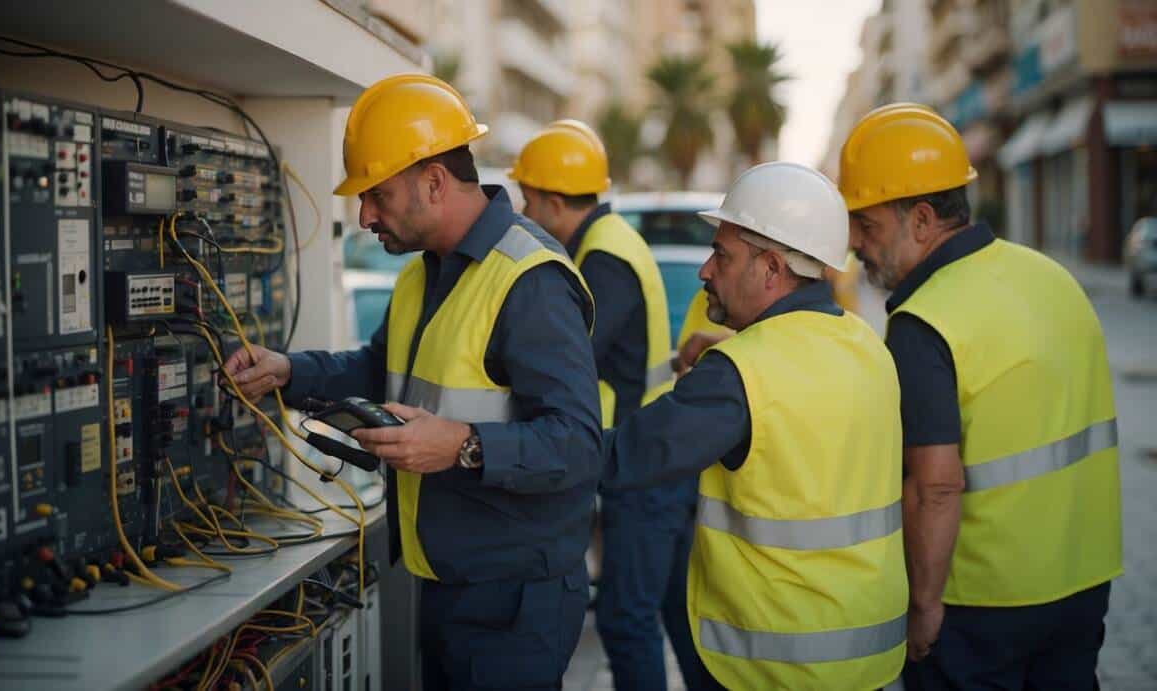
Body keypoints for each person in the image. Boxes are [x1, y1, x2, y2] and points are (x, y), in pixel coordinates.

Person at [223, 74, 602, 691]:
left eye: (377, 194)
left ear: (434, 181)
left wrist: (461, 445)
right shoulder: (424, 276)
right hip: (451, 580)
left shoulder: (529, 280)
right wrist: (289, 372)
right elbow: (380, 371)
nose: (366, 215)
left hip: (514, 597)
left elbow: (579, 445)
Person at [839, 103, 1123, 689]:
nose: (855, 246)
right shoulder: (1052, 278)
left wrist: (923, 606)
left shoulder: (924, 322)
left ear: (920, 219)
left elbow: (935, 485)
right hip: (1083, 582)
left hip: (983, 603)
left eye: (866, 226)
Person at [602, 161, 908, 690]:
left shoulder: (739, 375)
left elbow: (620, 456)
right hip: (866, 653)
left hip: (774, 665)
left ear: (770, 269)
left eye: (721, 254)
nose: (705, 271)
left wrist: (477, 447)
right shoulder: (866, 346)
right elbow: (801, 386)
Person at [509, 119, 699, 690]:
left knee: (626, 619)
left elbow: (572, 358)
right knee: (669, 611)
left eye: (527, 199)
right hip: (655, 458)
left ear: (550, 200)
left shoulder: (604, 257)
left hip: (644, 466)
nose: (522, 211)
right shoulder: (606, 242)